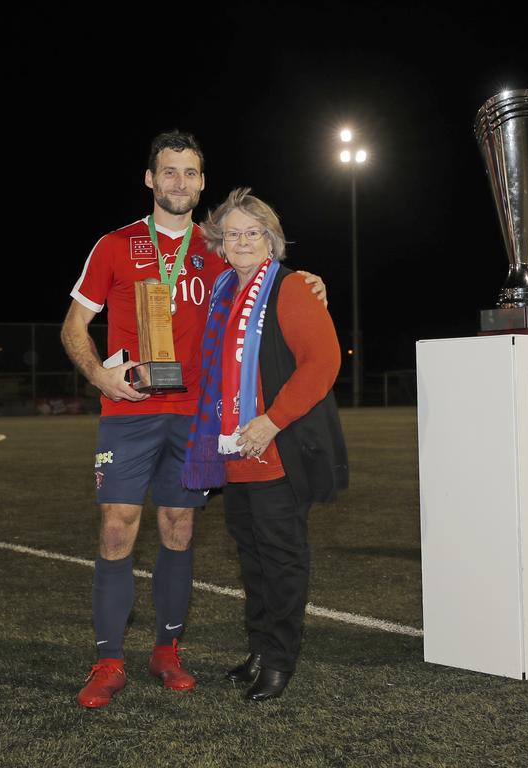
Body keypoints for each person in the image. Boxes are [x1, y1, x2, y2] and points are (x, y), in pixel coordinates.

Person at [61, 132, 327, 709]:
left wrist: (308, 280)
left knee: (179, 532)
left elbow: (268, 279)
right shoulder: (114, 245)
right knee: (115, 530)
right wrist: (99, 377)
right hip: (129, 412)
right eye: (169, 172)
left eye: (190, 173)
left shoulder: (218, 249)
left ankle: (166, 651)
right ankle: (107, 661)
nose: (179, 183)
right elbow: (73, 327)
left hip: (198, 419)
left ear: (202, 182)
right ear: (150, 179)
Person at [182, 188, 348, 701]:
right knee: (252, 559)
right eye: (233, 234)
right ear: (222, 245)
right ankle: (258, 648)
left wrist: (272, 421)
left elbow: (324, 363)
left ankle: (279, 660)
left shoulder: (292, 287)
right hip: (234, 455)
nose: (244, 241)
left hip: (277, 450)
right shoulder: (222, 293)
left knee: (282, 558)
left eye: (253, 232)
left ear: (271, 240)